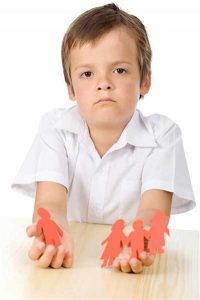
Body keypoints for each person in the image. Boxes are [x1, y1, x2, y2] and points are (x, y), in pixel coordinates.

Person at [11, 3, 196, 273]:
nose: (103, 83)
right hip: (74, 263)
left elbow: (154, 211)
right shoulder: (55, 128)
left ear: (144, 81)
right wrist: (54, 234)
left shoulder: (163, 135)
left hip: (129, 270)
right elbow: (50, 202)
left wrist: (139, 236)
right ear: (71, 89)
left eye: (119, 70)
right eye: (87, 73)